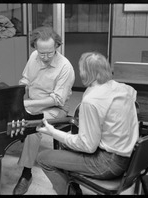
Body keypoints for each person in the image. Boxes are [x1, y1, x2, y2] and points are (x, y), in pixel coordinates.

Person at [36, 52, 139, 195]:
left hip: (108, 163)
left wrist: (53, 132)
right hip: (130, 158)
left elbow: (88, 146)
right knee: (65, 144)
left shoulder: (92, 100)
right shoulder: (124, 88)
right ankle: (72, 187)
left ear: (85, 73)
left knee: (43, 158)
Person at [11, 26, 75, 195]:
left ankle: (26, 174)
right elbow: (25, 80)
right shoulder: (34, 56)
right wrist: (17, 99)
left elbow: (57, 99)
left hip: (55, 108)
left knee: (33, 126)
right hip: (31, 102)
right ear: (35, 48)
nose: (45, 57)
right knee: (6, 115)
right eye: (42, 53)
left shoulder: (65, 67)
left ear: (56, 47)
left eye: (50, 53)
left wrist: (28, 105)